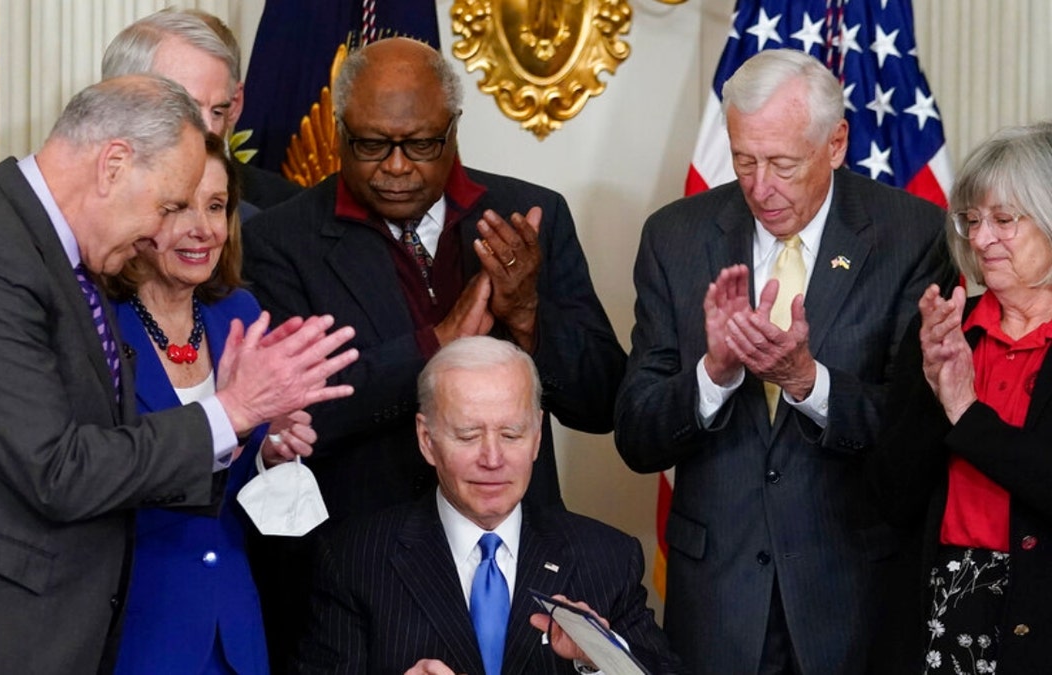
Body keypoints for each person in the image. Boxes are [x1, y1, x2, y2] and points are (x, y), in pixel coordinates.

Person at [0, 75, 357, 674]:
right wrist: (232, 411)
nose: (158, 232)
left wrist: (246, 430)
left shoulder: (45, 251)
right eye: (167, 205)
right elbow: (57, 469)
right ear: (114, 164)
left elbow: (99, 446)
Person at [613, 48, 955, 674]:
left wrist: (807, 381)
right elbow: (636, 436)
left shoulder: (914, 235)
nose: (759, 188)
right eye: (744, 161)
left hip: (852, 592)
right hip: (717, 596)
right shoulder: (675, 237)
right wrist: (712, 376)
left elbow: (920, 432)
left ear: (836, 143)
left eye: (782, 164)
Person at [244, 36, 624, 521]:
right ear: (340, 132)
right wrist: (437, 342)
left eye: (421, 144)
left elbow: (602, 403)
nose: (397, 166)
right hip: (359, 558)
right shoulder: (281, 240)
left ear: (453, 131)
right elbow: (297, 414)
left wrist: (527, 316)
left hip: (514, 548)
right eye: (373, 145)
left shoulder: (530, 218)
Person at [296, 336, 684, 674]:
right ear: (426, 439)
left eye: (512, 434)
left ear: (536, 437)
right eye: (468, 435)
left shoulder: (607, 558)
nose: (492, 458)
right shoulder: (354, 559)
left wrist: (602, 660)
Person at [107, 135, 305, 673]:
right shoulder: (96, 319)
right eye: (178, 208)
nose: (203, 228)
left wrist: (275, 454)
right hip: (134, 628)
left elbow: (241, 488)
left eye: (216, 206)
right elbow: (95, 474)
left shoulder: (239, 311)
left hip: (234, 627)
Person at [870, 123, 1052, 673]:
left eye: (1002, 221)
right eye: (971, 220)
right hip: (938, 605)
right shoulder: (949, 327)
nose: (979, 239)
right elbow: (888, 499)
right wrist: (934, 387)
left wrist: (966, 413)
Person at [101, 9, 301, 212]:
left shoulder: (283, 212)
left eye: (217, 112)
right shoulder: (84, 205)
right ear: (124, 106)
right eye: (188, 109)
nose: (208, 130)